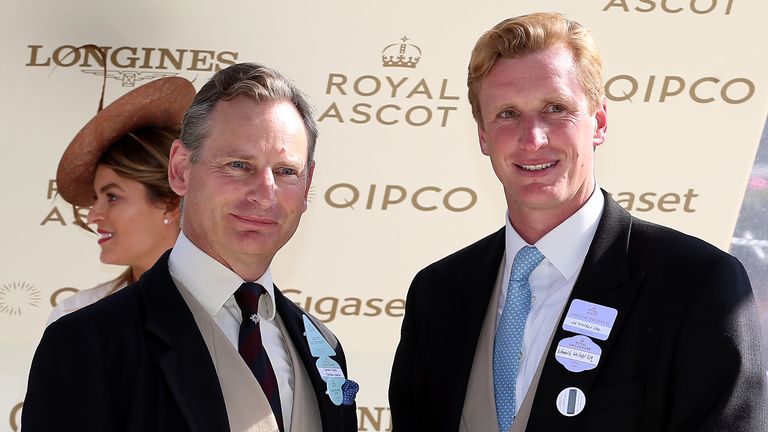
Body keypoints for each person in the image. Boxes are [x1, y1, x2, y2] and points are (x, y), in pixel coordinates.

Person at [389, 12, 767, 432]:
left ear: (599, 123)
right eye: (507, 114)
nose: (533, 138)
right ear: (482, 135)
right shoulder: (437, 294)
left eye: (556, 108)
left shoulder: (696, 284)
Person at [23, 63, 358, 432]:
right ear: (181, 169)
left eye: (286, 171)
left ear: (308, 183)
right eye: (238, 164)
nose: (266, 196)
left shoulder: (323, 347)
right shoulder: (87, 344)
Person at [47, 76, 192, 325]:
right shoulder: (75, 316)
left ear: (171, 202)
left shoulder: (237, 315)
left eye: (112, 196)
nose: (92, 216)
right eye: (96, 198)